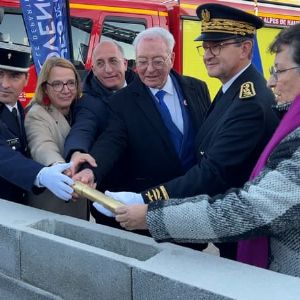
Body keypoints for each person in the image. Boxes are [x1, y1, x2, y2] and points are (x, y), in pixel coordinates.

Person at [113, 22, 300, 278]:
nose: (271, 82)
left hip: (243, 233)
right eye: (206, 47)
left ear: (245, 48)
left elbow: (240, 198)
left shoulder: (248, 100)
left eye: (218, 46)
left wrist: (150, 208)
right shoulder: (229, 90)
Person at [75, 27, 211, 231]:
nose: (149, 69)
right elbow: (111, 141)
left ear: (171, 57)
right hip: (151, 205)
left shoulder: (197, 88)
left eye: (157, 61)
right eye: (142, 61)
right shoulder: (122, 101)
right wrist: (91, 172)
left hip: (193, 202)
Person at [0, 41, 75, 204]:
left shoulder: (17, 108)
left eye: (14, 76)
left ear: (26, 79)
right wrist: (39, 174)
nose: (5, 84)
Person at [24, 57, 88, 219]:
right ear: (45, 87)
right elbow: (42, 145)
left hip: (79, 206)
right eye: (57, 84)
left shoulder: (81, 110)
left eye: (71, 83)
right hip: (52, 208)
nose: (66, 90)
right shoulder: (37, 114)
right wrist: (60, 168)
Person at [63, 40, 136, 168]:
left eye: (113, 61)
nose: (108, 69)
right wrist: (76, 152)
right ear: (94, 70)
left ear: (124, 64)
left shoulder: (144, 87)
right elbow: (82, 129)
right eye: (100, 63)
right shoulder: (88, 101)